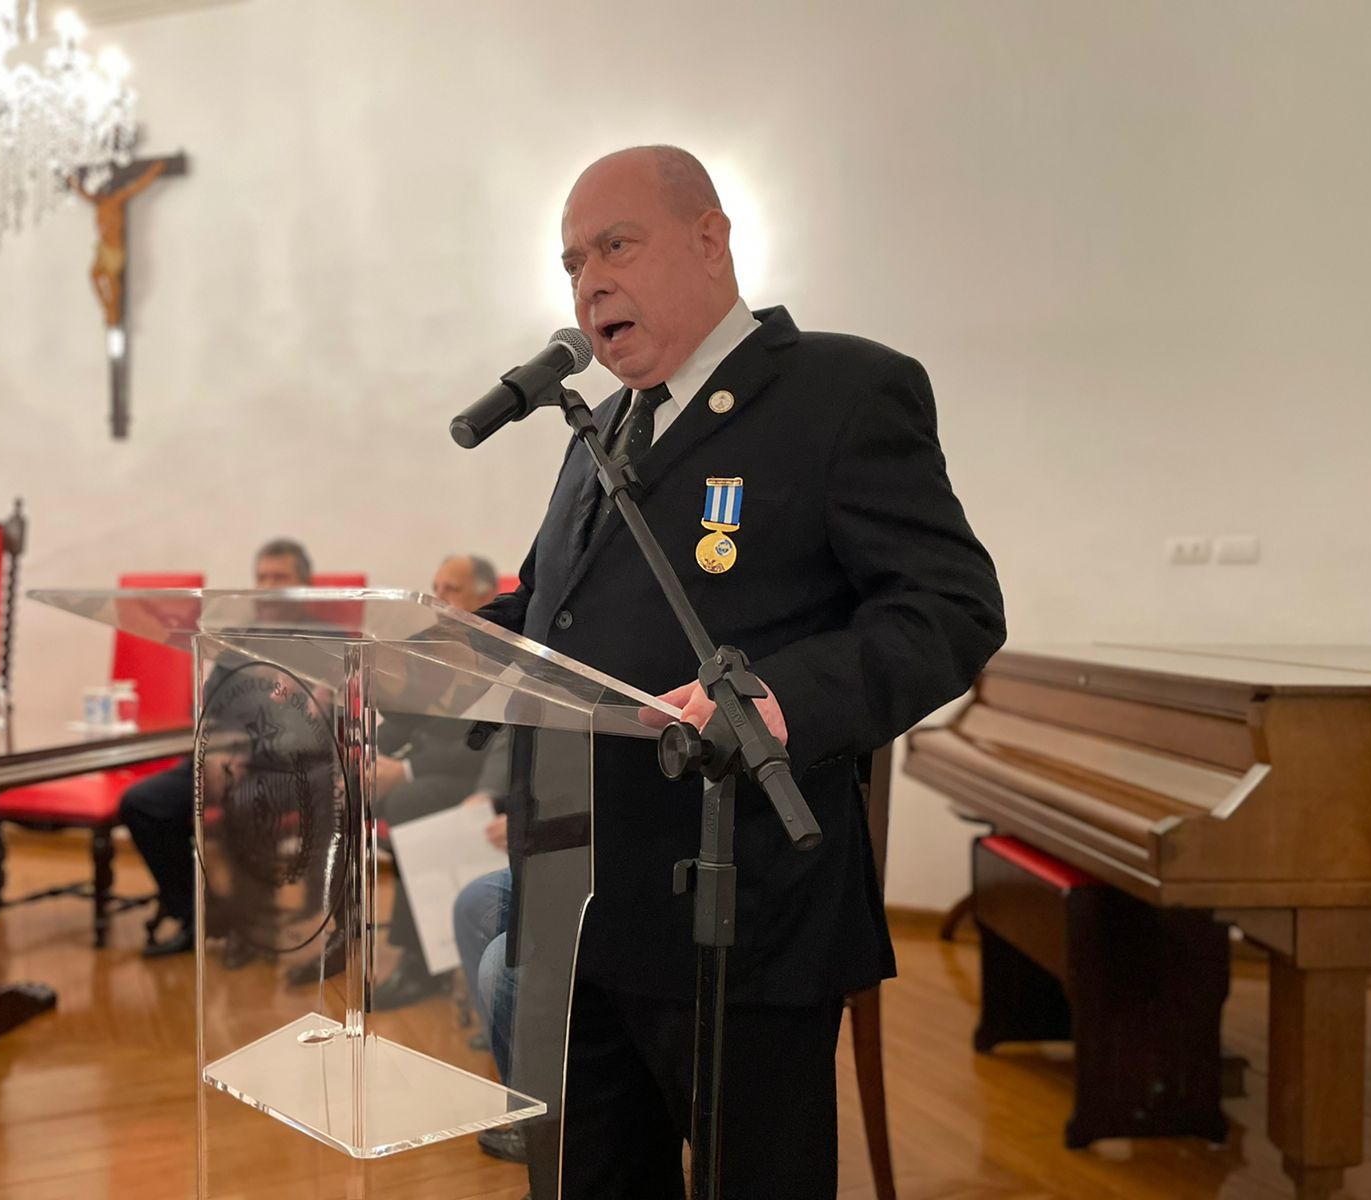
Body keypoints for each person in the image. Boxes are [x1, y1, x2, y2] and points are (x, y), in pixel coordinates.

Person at [475, 146, 1006, 1200]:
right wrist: (412, 656)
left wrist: (787, 698)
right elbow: (544, 609)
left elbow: (949, 609)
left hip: (738, 910)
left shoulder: (842, 393)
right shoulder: (595, 430)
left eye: (615, 246)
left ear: (710, 239)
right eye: (573, 263)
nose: (589, 283)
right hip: (575, 900)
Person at [285, 554, 501, 993]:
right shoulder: (433, 649)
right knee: (342, 785)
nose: (438, 599)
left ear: (488, 598)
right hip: (431, 766)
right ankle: (342, 930)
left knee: (409, 802)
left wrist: (405, 770)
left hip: (483, 778)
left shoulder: (503, 659)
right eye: (436, 587)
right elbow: (406, 722)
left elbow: (493, 744)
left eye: (452, 590)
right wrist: (367, 756)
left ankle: (420, 962)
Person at [123, 538, 314, 959]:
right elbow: (212, 702)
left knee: (244, 803)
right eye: (262, 577)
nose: (268, 587)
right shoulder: (241, 638)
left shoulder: (324, 640)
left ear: (304, 585)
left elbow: (314, 720)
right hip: (221, 756)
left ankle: (252, 928)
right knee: (143, 804)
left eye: (280, 578)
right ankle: (198, 914)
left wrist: (250, 743)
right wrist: (217, 751)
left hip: (288, 767)